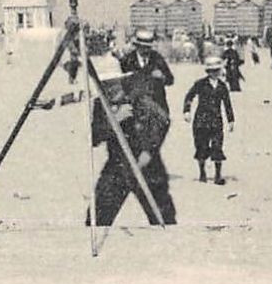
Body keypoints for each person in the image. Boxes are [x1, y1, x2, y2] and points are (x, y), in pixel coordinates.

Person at [90, 70, 176, 226]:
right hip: (117, 166)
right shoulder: (100, 103)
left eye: (113, 84)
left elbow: (162, 121)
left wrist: (148, 151)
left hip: (146, 166)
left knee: (163, 219)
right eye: (105, 85)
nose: (110, 89)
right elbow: (94, 137)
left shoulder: (138, 98)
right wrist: (114, 120)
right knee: (98, 218)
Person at [182, 59, 235, 184]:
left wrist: (231, 120)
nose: (215, 73)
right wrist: (186, 111)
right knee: (201, 146)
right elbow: (189, 96)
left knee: (217, 146)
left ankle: (217, 175)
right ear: (208, 72)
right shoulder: (200, 84)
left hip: (216, 120)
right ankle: (202, 173)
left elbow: (227, 104)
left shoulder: (222, 86)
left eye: (217, 70)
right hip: (201, 121)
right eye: (212, 71)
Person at [120, 30, 175, 128]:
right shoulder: (128, 60)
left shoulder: (157, 58)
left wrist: (162, 77)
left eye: (148, 47)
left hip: (157, 104)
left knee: (162, 127)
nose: (146, 50)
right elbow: (122, 83)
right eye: (143, 47)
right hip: (136, 107)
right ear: (137, 46)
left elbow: (170, 80)